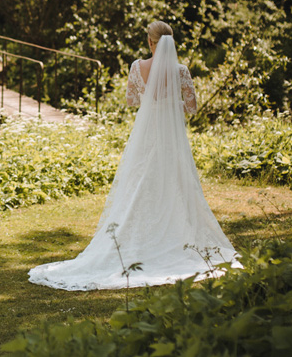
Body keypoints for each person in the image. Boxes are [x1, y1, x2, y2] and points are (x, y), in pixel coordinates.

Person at [28, 20, 239, 290]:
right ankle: (174, 235)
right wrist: (171, 100)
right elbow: (192, 108)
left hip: (147, 134)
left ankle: (136, 235)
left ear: (150, 42)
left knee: (139, 182)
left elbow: (131, 101)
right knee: (173, 181)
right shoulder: (181, 71)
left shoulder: (137, 67)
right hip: (171, 138)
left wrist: (151, 95)